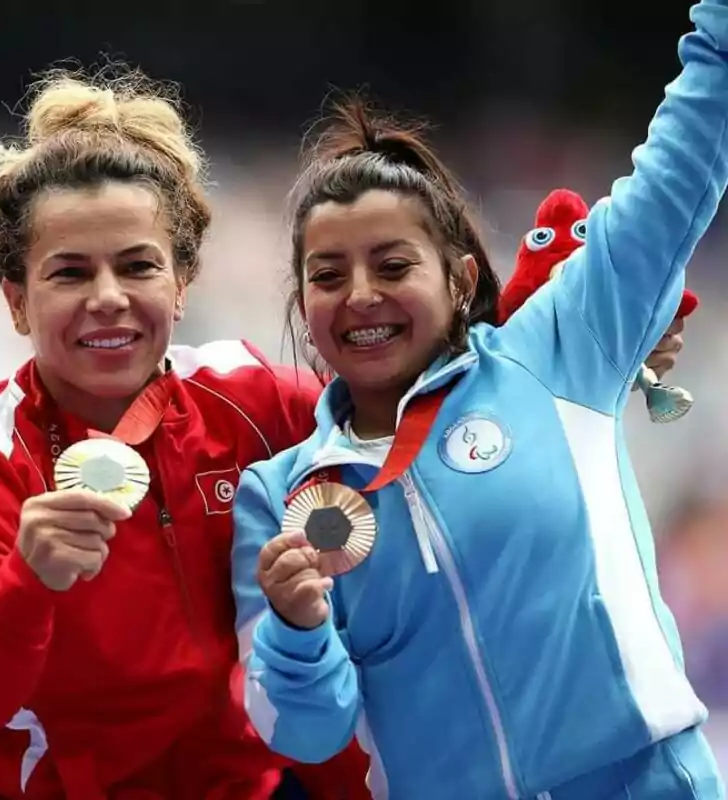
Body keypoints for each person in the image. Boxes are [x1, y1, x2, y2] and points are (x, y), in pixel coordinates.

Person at [231, 3, 728, 798]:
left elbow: (676, 177)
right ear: (301, 304)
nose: (360, 296)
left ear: (460, 279)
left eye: (393, 266)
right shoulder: (277, 495)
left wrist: (718, 38)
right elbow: (304, 731)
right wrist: (297, 631)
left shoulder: (556, 351)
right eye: (328, 277)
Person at [0, 70, 370, 798]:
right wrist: (26, 583)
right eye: (69, 273)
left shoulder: (259, 406)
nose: (109, 298)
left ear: (181, 283)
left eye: (137, 265)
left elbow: (410, 426)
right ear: (17, 301)